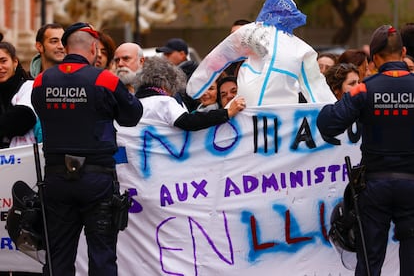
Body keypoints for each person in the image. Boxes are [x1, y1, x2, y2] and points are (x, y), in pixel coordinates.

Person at [31, 22, 143, 276]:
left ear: (66, 47)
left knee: (58, 254)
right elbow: (132, 115)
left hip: (56, 178)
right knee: (102, 255)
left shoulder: (41, 81)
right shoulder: (104, 78)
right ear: (93, 48)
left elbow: (42, 111)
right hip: (96, 178)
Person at [317, 25, 414, 276]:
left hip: (375, 186)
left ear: (374, 57)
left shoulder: (364, 89)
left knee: (369, 263)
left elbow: (328, 124)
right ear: (403, 52)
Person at [187, 0, 336, 106]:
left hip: (276, 117)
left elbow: (315, 84)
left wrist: (334, 113)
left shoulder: (300, 48)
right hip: (250, 112)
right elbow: (221, 55)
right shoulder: (254, 32)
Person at [133, 56, 245, 130]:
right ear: (166, 83)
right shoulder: (164, 102)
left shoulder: (135, 102)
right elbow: (189, 122)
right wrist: (227, 112)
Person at [0, 41, 38, 149]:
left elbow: (22, 120)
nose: (0, 67)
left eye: (3, 61)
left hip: (23, 161)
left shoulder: (29, 86)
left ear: (15, 62)